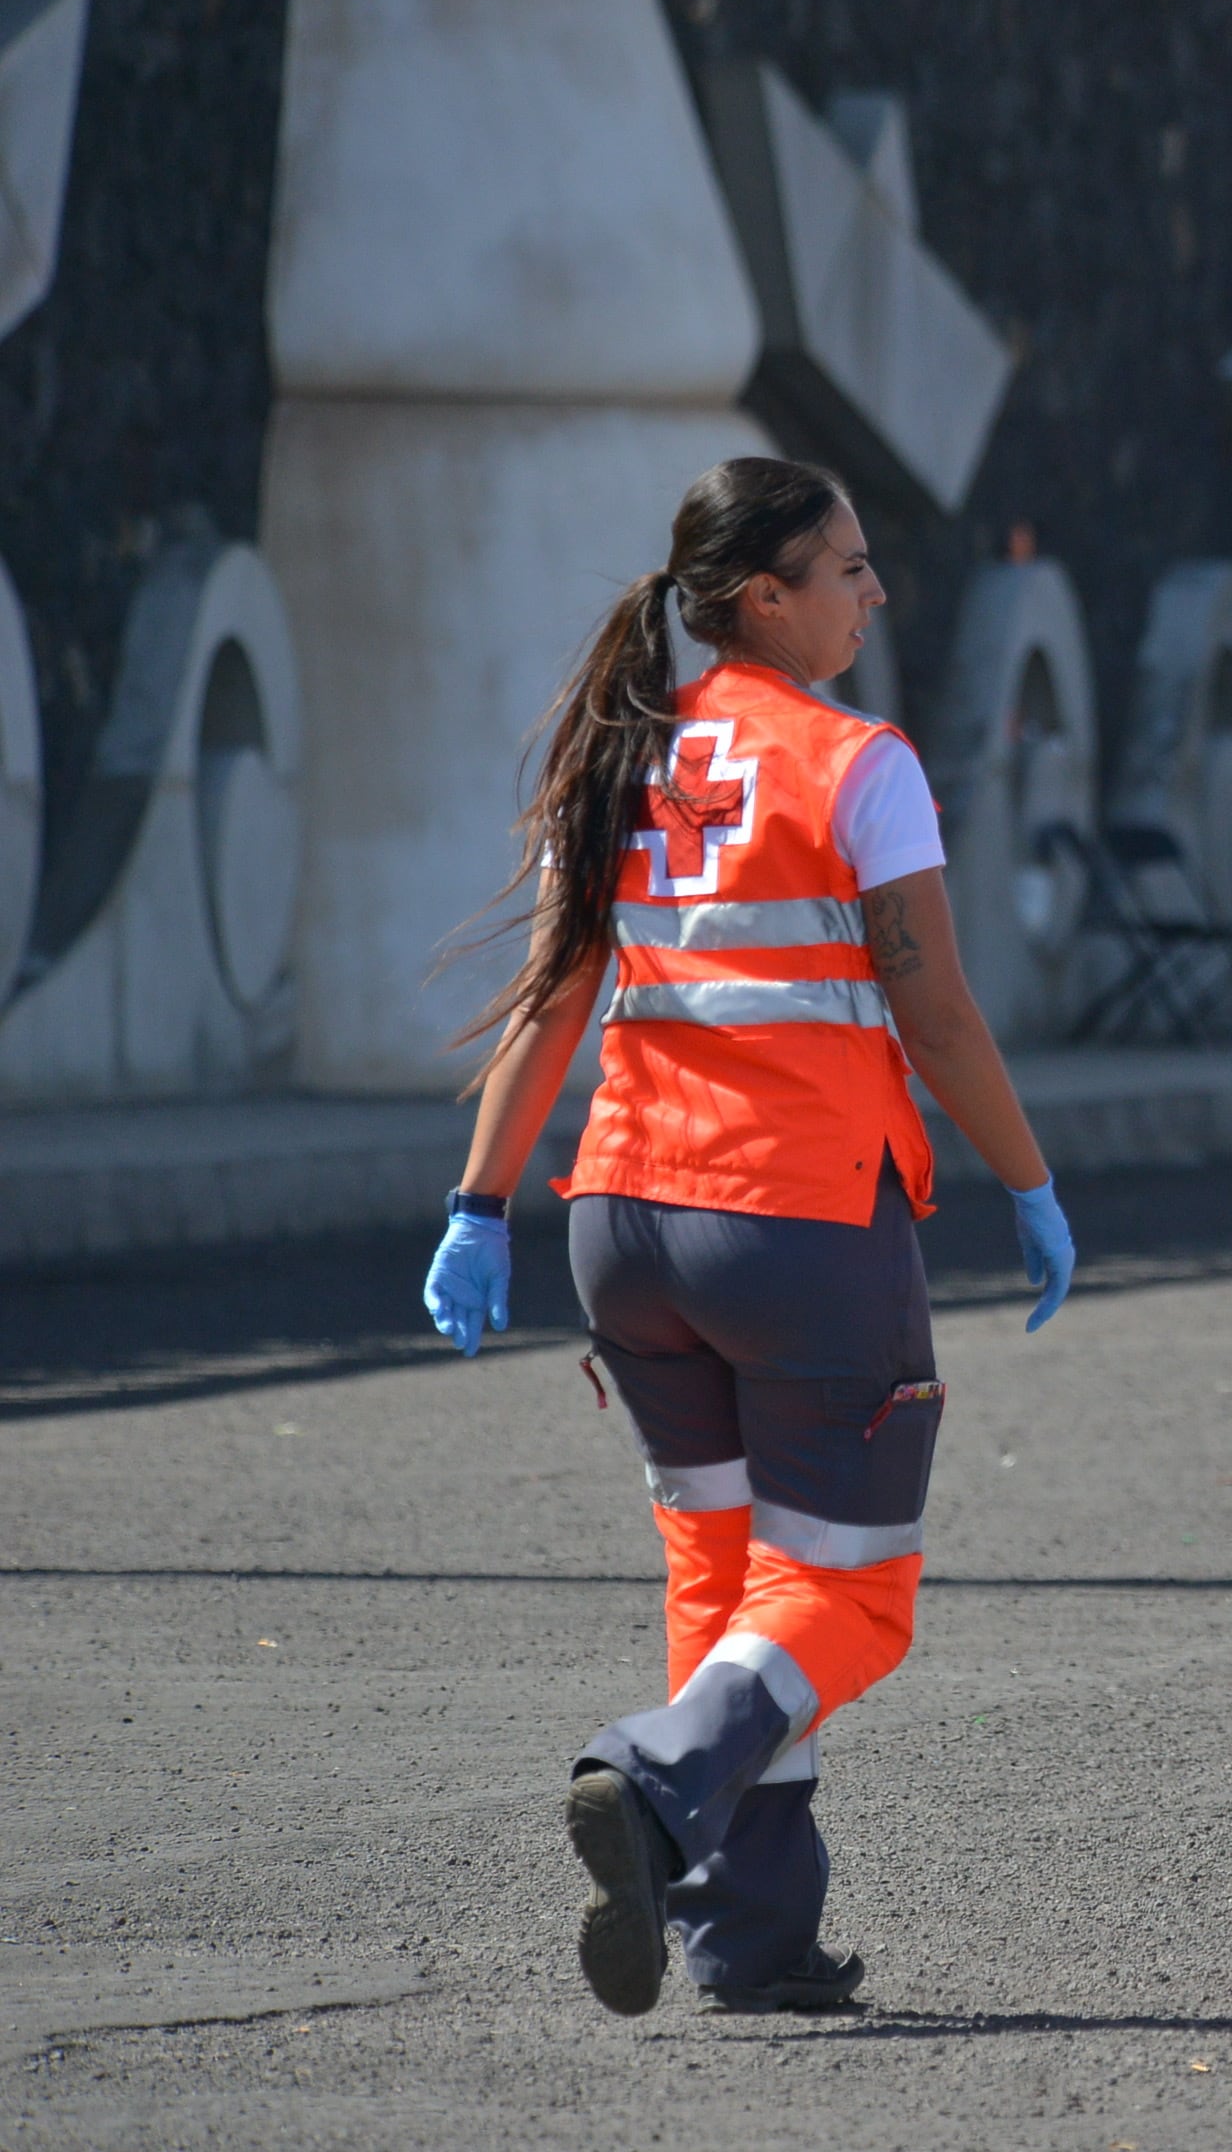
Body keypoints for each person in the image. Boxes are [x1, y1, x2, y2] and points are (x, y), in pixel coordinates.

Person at [417, 457, 1081, 2019]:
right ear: (764, 596)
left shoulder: (623, 756)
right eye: (847, 569)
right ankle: (656, 1781)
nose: (874, 592)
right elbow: (933, 1001)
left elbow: (553, 1003)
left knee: (730, 1590)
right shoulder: (861, 763)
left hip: (625, 1228)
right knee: (850, 1595)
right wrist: (1031, 1180)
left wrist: (474, 1204)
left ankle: (747, 1938)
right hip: (792, 1230)